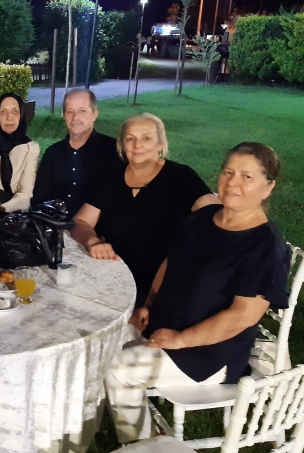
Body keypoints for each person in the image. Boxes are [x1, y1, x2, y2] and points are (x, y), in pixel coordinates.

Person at [105, 142, 290, 443]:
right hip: (162, 324)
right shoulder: (205, 217)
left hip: (206, 353)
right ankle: (124, 418)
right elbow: (170, 262)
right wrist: (148, 304)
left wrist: (181, 339)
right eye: (228, 172)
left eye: (247, 176)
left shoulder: (264, 246)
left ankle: (140, 445)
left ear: (268, 187)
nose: (233, 182)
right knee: (100, 342)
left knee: (119, 369)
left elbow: (242, 316)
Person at [70, 113, 220, 308]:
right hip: (112, 273)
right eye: (130, 139)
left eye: (146, 138)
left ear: (160, 144)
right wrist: (92, 241)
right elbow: (81, 221)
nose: (137, 145)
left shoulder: (181, 176)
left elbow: (216, 215)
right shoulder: (110, 177)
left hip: (160, 284)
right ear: (122, 145)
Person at [31, 88, 119, 216]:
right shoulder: (52, 153)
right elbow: (39, 199)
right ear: (64, 115)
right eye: (70, 111)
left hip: (98, 227)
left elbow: (117, 200)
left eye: (82, 111)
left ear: (94, 114)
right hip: (55, 224)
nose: (75, 117)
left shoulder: (112, 150)